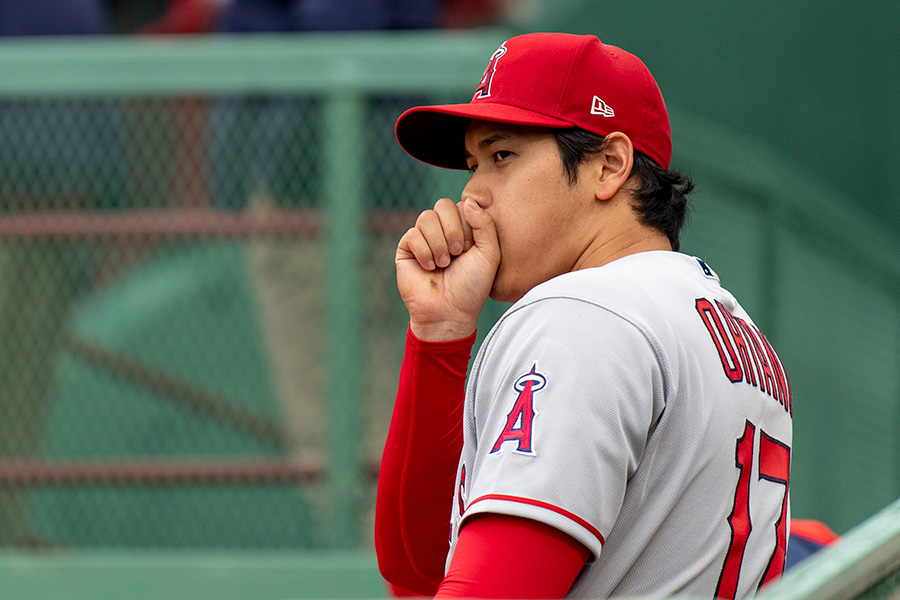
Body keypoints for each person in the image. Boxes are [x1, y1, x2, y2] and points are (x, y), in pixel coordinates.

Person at [375, 32, 793, 599]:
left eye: (503, 156)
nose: (471, 196)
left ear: (610, 166)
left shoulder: (583, 318)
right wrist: (439, 336)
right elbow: (418, 570)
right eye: (473, 164)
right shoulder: (729, 326)